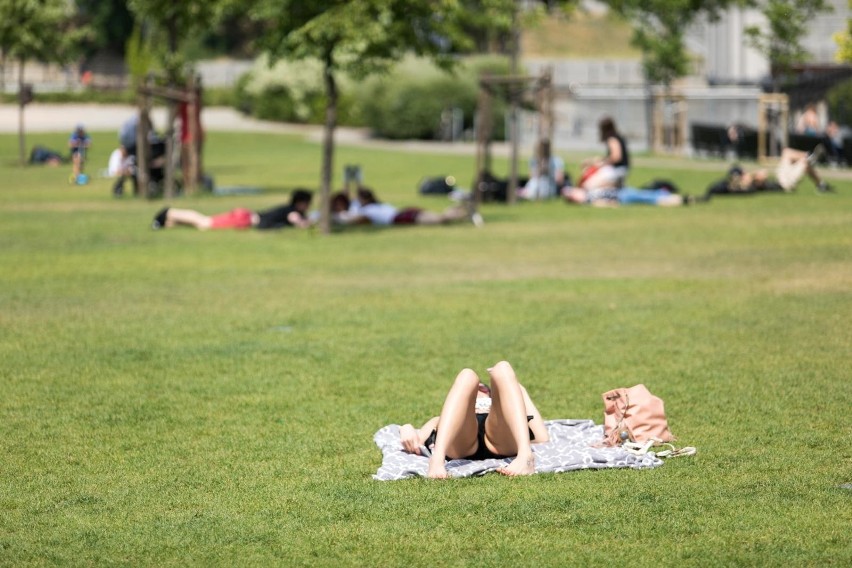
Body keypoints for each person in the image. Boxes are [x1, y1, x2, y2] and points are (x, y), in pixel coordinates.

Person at [398, 361, 549, 479]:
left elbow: (542, 437)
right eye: (475, 389)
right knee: (467, 375)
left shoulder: (507, 410)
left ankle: (525, 456)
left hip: (498, 436)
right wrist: (406, 427)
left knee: (502, 368)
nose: (478, 390)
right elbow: (417, 440)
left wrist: (510, 382)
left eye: (483, 389)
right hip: (463, 441)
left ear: (490, 394)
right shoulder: (447, 418)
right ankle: (437, 460)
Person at [151, 189, 314, 231]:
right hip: (244, 218)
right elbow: (297, 221)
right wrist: (310, 223)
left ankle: (169, 221)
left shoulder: (287, 208)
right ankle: (169, 212)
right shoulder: (291, 211)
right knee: (205, 222)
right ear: (300, 202)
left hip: (244, 216)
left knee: (203, 224)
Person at [333, 187, 483, 227]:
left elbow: (355, 219)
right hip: (404, 211)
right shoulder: (375, 206)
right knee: (439, 217)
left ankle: (464, 211)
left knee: (439, 219)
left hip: (400, 217)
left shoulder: (364, 210)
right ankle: (463, 210)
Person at [577, 116, 630, 190]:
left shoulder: (612, 139)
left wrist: (601, 163)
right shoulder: (617, 136)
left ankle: (614, 186)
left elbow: (616, 157)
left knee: (588, 186)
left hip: (617, 170)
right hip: (620, 169)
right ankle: (615, 186)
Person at [562, 185, 691, 207]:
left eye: (573, 192)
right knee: (647, 198)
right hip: (621, 197)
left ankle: (668, 195)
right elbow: (605, 203)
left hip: (622, 190)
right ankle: (677, 200)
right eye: (572, 196)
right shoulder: (589, 200)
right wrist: (610, 204)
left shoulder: (588, 192)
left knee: (646, 194)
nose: (575, 193)